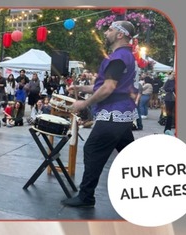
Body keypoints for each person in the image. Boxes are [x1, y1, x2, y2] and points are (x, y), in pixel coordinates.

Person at [61, 21, 138, 208]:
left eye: (110, 30)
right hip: (121, 113)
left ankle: (86, 197)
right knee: (130, 155)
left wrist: (84, 103)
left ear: (120, 35)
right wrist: (81, 87)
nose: (106, 33)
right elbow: (107, 86)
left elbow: (109, 87)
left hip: (113, 113)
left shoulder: (118, 57)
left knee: (92, 149)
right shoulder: (125, 56)